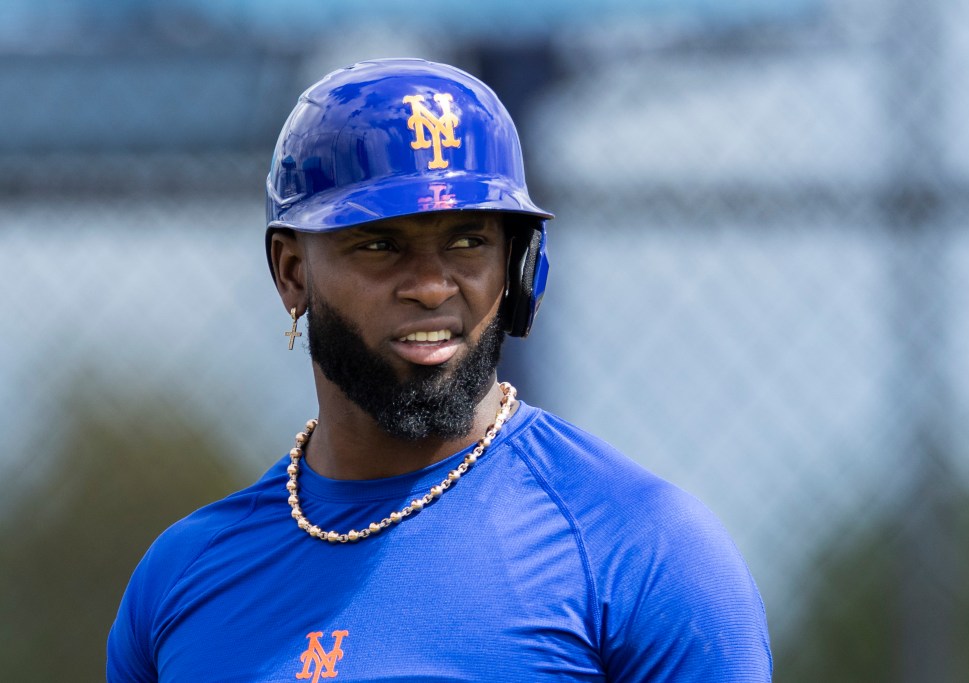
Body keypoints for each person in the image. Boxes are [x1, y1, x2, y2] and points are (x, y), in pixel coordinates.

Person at [107, 58, 772, 682]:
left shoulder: (643, 551)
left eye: (468, 240)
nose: (430, 285)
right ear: (291, 271)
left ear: (516, 267)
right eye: (379, 243)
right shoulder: (183, 579)